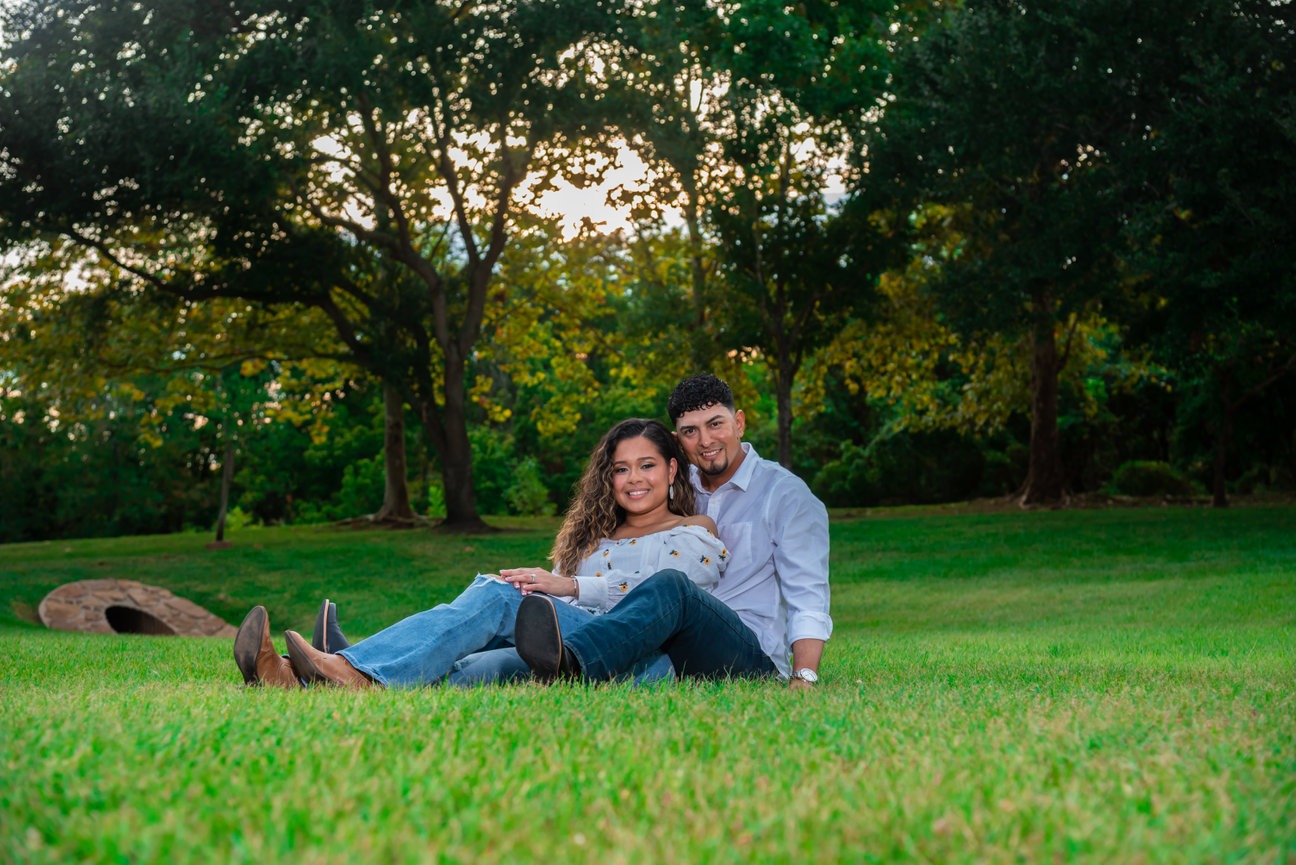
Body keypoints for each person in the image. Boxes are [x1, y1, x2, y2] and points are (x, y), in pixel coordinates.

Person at [233, 418, 726, 690]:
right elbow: (551, 617)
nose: (634, 479)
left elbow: (666, 598)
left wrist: (567, 587)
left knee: (498, 594)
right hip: (562, 651)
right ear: (608, 477)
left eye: (646, 465)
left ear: (672, 471)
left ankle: (350, 666)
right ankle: (301, 676)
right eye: (621, 469)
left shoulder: (693, 529)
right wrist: (549, 591)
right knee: (469, 669)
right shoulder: (592, 537)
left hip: (637, 659)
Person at [515, 373, 831, 689]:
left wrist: (804, 676)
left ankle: (573, 664)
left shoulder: (785, 495)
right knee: (500, 663)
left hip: (743, 654)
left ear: (739, 423)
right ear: (677, 441)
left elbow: (808, 593)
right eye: (690, 431)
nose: (706, 440)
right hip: (665, 649)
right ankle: (473, 668)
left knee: (672, 586)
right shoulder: (668, 486)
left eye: (716, 424)